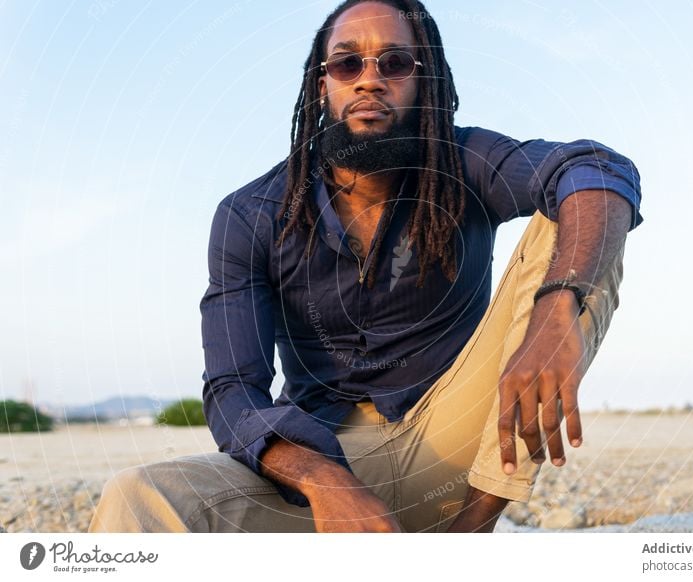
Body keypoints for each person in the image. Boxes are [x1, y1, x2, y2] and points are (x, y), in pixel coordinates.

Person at [90, 0, 642, 533]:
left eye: (395, 62)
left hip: (459, 444)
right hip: (322, 462)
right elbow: (234, 390)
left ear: (424, 83)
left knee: (581, 213)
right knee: (138, 497)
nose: (369, 79)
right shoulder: (251, 214)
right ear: (322, 85)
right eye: (347, 62)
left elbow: (594, 167)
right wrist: (324, 482)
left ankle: (470, 539)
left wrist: (555, 312)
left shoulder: (462, 162)